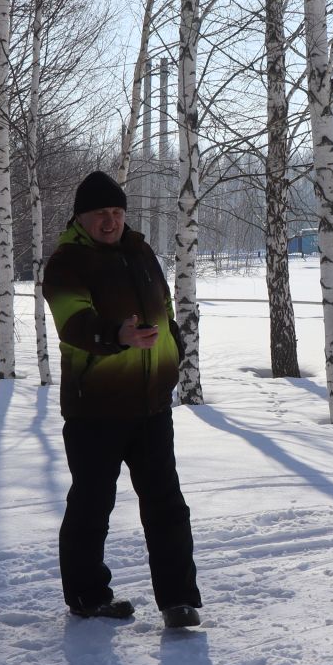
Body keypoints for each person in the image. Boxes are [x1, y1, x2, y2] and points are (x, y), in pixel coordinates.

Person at [42, 171, 202, 628]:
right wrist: (118, 335)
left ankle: (178, 600)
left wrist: (175, 349)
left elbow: (166, 309)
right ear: (81, 218)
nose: (111, 221)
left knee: (166, 503)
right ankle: (87, 596)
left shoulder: (140, 251)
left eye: (117, 212)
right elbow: (73, 323)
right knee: (92, 504)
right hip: (96, 407)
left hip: (151, 405)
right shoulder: (67, 262)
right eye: (100, 215)